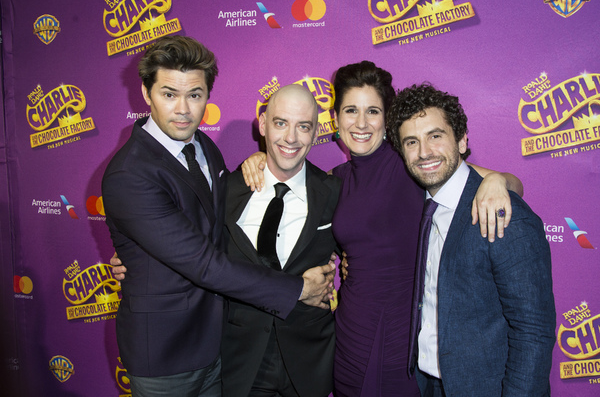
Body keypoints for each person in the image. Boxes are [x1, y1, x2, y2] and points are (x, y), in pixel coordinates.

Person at [242, 61, 523, 397]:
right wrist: (258, 159)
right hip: (347, 338)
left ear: (387, 119)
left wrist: (493, 181)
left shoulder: (411, 164)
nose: (361, 124)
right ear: (335, 118)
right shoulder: (336, 179)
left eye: (372, 111)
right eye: (350, 111)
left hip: (400, 341)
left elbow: (513, 185)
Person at [102, 36, 334, 397]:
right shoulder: (130, 174)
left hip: (217, 345)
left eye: (194, 95)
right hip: (166, 354)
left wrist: (259, 162)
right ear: (146, 94)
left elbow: (215, 217)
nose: (183, 109)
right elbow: (204, 264)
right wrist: (298, 289)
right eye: (169, 94)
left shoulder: (203, 146)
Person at [388, 82, 555, 396]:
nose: (424, 152)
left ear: (462, 140)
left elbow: (533, 331)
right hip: (427, 383)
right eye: (412, 141)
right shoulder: (421, 206)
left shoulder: (504, 212)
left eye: (435, 136)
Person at [221, 84, 340, 397]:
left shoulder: (335, 193)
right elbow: (194, 256)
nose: (291, 138)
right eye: (280, 123)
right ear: (262, 124)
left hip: (308, 368)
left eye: (303, 127)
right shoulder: (226, 190)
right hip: (238, 365)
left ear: (316, 133)